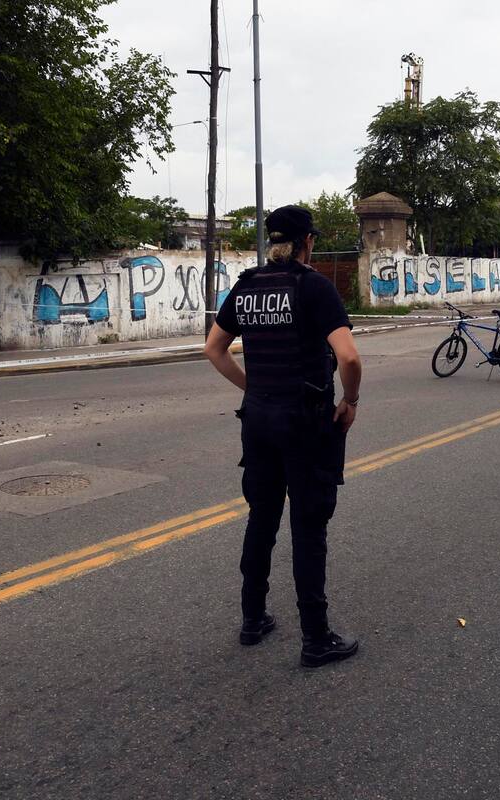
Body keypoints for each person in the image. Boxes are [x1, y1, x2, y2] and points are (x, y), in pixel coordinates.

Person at [204, 205, 363, 668]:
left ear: (272, 242)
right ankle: (316, 637)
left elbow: (213, 348)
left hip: (258, 421)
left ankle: (253, 619)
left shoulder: (248, 285)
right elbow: (349, 359)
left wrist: (252, 387)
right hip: (305, 420)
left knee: (262, 517)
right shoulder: (313, 286)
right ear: (308, 242)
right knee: (308, 526)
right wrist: (350, 401)